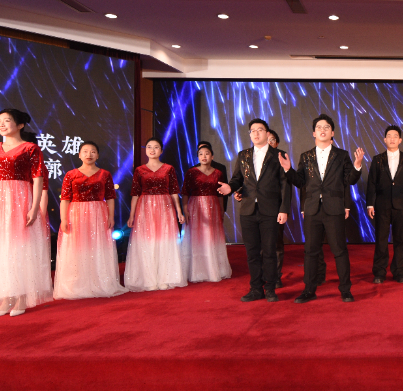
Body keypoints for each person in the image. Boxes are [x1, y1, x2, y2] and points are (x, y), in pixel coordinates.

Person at [0, 108, 53, 316]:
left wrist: (34, 207)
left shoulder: (30, 148)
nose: (1, 124)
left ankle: (21, 298)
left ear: (20, 125)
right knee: (1, 249)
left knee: (20, 247)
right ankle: (6, 298)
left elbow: (38, 179)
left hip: (21, 198)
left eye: (7, 120)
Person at [283, 113, 364, 303]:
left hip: (334, 209)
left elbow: (349, 180)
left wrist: (357, 165)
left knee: (339, 250)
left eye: (326, 127)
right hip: (312, 210)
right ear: (313, 133)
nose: (322, 130)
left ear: (332, 132)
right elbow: (300, 182)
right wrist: (288, 170)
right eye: (319, 127)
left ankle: (345, 290)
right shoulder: (306, 156)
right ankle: (309, 290)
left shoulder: (342, 155)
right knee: (311, 252)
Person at [53, 141, 127, 300]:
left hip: (98, 213)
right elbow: (65, 199)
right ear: (79, 155)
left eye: (93, 151)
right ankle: (77, 284)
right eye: (85, 151)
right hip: (76, 213)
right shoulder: (71, 174)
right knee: (77, 247)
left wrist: (110, 216)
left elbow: (110, 197)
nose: (89, 154)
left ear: (98, 155)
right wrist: (63, 219)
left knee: (97, 246)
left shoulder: (105, 174)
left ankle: (98, 282)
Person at [226, 119, 290, 302]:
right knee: (252, 252)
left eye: (259, 130)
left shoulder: (278, 155)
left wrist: (284, 209)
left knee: (269, 251)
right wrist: (230, 188)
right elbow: (237, 179)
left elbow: (285, 185)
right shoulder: (243, 155)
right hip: (248, 210)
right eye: (252, 131)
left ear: (267, 133)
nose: (255, 133)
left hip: (270, 210)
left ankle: (270, 288)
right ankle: (256, 289)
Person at [124, 137, 187, 292]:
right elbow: (135, 194)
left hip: (165, 206)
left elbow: (174, 191)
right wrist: (132, 215)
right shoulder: (139, 170)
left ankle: (165, 277)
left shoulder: (169, 169)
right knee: (147, 242)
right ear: (146, 150)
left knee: (165, 241)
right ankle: (148, 278)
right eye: (149, 147)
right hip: (145, 207)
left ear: (161, 150)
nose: (152, 150)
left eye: (156, 147)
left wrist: (179, 211)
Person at [366, 125, 403, 283]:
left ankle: (398, 271)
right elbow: (371, 183)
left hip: (401, 205)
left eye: (395, 136)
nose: (392, 139)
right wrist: (370, 204)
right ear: (384, 139)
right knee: (381, 240)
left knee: (399, 240)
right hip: (381, 205)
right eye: (389, 136)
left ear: (400, 140)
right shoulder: (377, 159)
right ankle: (379, 272)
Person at [180, 141, 234, 284]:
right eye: (201, 154)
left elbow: (220, 194)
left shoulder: (218, 173)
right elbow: (185, 192)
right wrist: (185, 209)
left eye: (207, 154)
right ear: (197, 156)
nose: (204, 156)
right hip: (195, 206)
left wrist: (221, 210)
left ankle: (212, 269)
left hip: (213, 206)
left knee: (211, 236)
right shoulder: (191, 172)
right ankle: (196, 270)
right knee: (196, 237)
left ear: (212, 156)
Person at [268, 129, 290, 289]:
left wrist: (284, 209)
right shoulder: (250, 156)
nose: (269, 142)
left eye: (272, 140)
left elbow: (285, 186)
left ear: (277, 143)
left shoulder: (281, 157)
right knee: (259, 246)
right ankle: (263, 276)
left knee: (276, 244)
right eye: (266, 139)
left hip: (276, 208)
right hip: (256, 208)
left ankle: (276, 277)